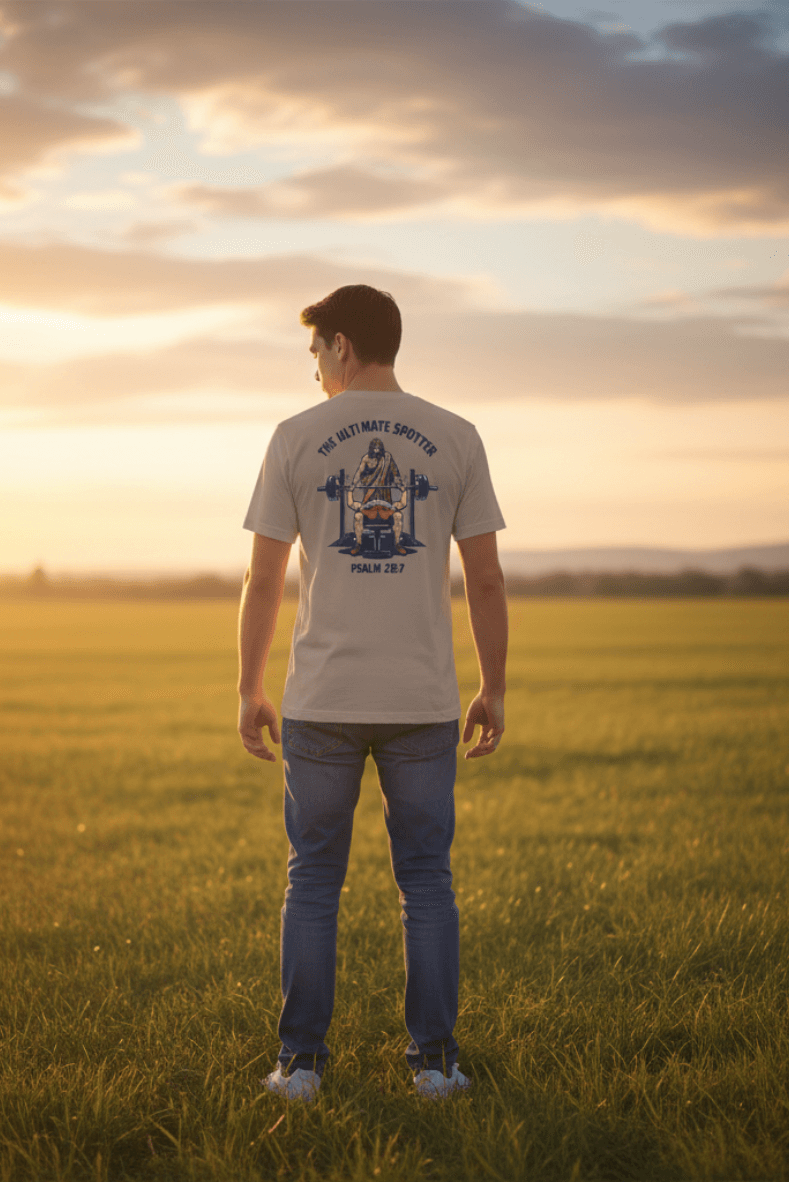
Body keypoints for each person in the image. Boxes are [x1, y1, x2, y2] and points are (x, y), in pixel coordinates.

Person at [237, 284, 509, 1102]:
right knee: (426, 881)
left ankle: (300, 1068)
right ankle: (434, 1066)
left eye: (315, 352)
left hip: (322, 696)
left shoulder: (293, 437)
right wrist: (493, 687)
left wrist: (249, 685)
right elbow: (486, 578)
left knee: (312, 880)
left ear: (343, 346)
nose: (314, 370)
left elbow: (262, 577)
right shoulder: (457, 435)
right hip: (422, 699)